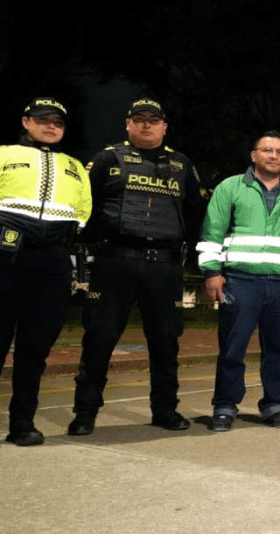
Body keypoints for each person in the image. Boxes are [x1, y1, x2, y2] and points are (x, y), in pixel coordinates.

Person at [68, 98, 205, 436]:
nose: (146, 125)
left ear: (164, 126)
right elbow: (85, 204)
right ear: (128, 124)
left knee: (165, 342)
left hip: (164, 267)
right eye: (139, 119)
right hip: (115, 263)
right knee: (98, 340)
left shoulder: (181, 164)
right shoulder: (107, 158)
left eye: (153, 120)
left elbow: (196, 211)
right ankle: (85, 413)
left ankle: (165, 410)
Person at [197, 130, 280, 432]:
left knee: (277, 350)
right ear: (254, 155)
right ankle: (225, 406)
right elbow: (212, 230)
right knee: (232, 348)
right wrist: (212, 272)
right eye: (267, 150)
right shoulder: (231, 187)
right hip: (240, 281)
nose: (273, 155)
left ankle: (273, 405)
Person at [0, 97, 91, 446]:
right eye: (43, 119)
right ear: (26, 121)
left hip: (52, 259)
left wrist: (71, 231)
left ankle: (22, 424)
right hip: (6, 257)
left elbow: (84, 208)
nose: (51, 126)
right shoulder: (5, 153)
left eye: (58, 122)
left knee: (34, 349)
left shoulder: (75, 166)